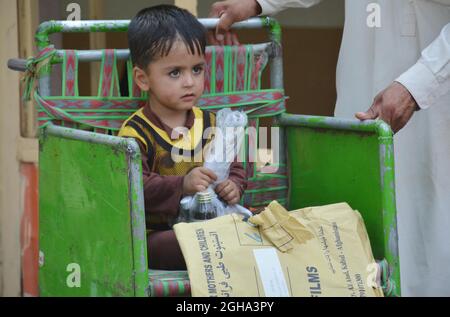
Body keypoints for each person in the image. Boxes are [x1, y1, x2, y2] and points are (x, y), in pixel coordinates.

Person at [209, 0, 450, 296]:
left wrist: (416, 85)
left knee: (432, 237)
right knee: (360, 231)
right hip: (363, 96)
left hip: (435, 105)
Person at [119, 5, 247, 270]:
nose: (189, 82)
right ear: (143, 79)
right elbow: (134, 188)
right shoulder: (135, 132)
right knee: (190, 242)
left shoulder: (210, 123)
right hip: (157, 235)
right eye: (175, 73)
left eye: (197, 69)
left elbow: (233, 164)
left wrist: (233, 184)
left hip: (210, 222)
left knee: (257, 224)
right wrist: (183, 185)